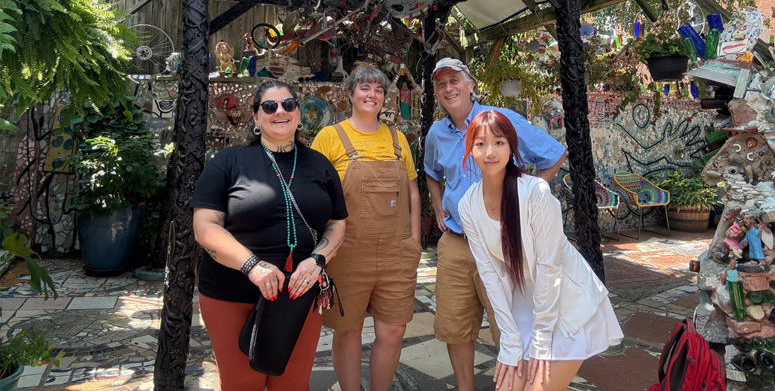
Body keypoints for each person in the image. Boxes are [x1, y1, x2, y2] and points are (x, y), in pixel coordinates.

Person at [192, 80, 348, 391]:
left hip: (298, 294)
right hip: (232, 294)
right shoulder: (229, 161)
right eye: (269, 106)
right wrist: (252, 265)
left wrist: (318, 259)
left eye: (289, 105)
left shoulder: (319, 164)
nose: (280, 111)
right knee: (241, 384)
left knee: (292, 382)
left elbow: (337, 223)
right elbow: (205, 226)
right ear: (255, 117)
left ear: (299, 113)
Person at [424, 58, 566, 391]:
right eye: (441, 84)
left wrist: (530, 197)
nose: (449, 88)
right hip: (457, 244)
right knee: (455, 326)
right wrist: (437, 203)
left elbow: (554, 152)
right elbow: (431, 172)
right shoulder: (436, 133)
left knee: (512, 327)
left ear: (470, 83)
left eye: (454, 80)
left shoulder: (502, 121)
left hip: (503, 245)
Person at [460, 110, 622, 391]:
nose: (490, 152)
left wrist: (542, 340)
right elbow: (491, 276)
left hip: (566, 304)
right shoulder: (468, 205)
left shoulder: (535, 193)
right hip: (526, 304)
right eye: (481, 143)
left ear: (511, 147)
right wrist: (509, 340)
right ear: (469, 151)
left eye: (499, 142)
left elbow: (549, 268)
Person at [312, 65, 422, 391]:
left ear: (384, 98)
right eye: (364, 88)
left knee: (393, 331)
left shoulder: (397, 138)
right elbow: (314, 193)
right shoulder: (329, 137)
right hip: (347, 251)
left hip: (397, 251)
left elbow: (413, 192)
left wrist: (414, 241)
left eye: (377, 90)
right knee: (349, 330)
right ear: (350, 94)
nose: (371, 95)